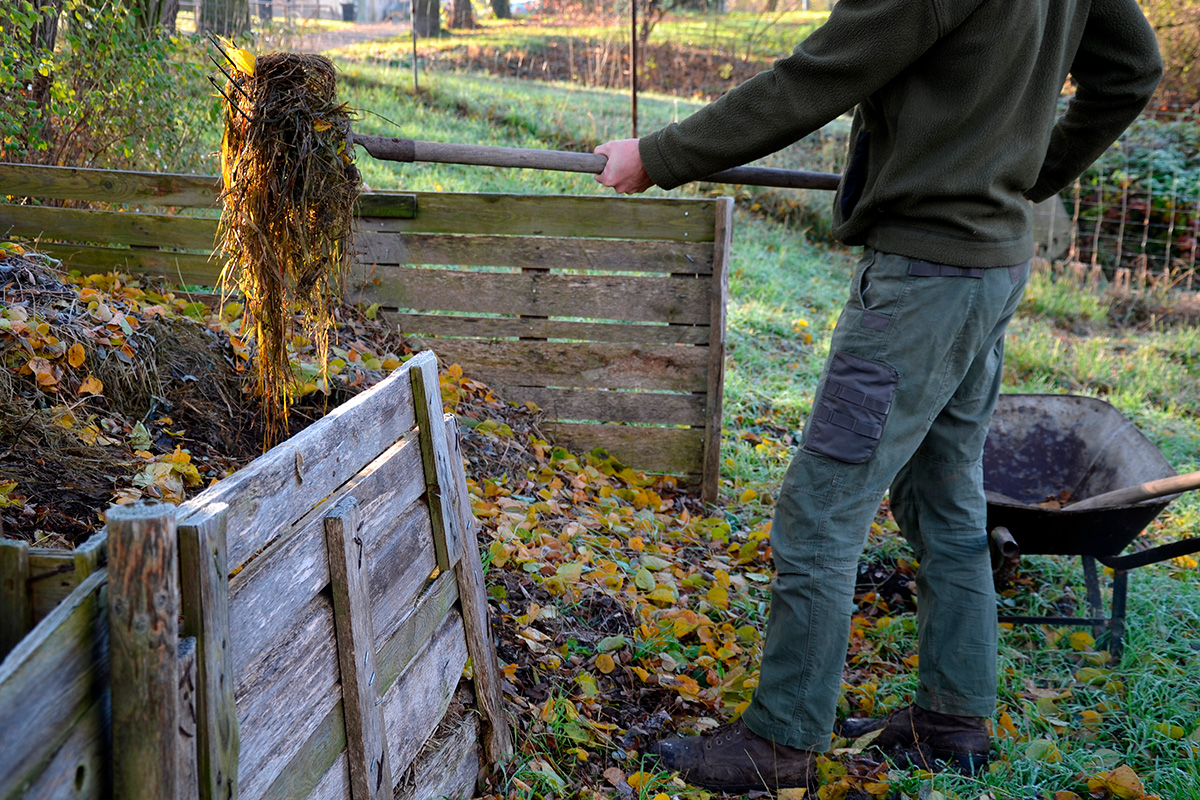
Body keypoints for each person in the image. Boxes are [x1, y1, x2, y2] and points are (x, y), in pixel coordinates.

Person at [593, 0, 1162, 793]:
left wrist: (658, 154)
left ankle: (782, 741)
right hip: (991, 266)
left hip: (922, 285)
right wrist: (1025, 173)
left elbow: (820, 73)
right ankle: (954, 720)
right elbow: (1132, 69)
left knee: (821, 509)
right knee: (944, 493)